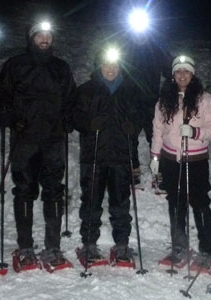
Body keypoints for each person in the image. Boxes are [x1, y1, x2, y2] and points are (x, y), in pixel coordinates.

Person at [0, 20, 76, 271]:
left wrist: (68, 119)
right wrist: (11, 118)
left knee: (54, 190)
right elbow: (4, 98)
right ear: (31, 38)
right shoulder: (15, 65)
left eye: (48, 35)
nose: (44, 39)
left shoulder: (60, 68)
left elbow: (70, 99)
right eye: (39, 35)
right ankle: (25, 247)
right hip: (25, 140)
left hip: (53, 139)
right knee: (24, 190)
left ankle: (52, 246)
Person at [151, 55, 211, 272]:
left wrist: (195, 131)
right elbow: (157, 130)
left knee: (200, 203)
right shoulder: (164, 100)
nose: (182, 75)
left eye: (187, 72)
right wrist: (155, 157)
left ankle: (207, 249)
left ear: (192, 75)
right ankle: (179, 246)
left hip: (196, 160)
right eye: (178, 71)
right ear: (173, 75)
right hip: (171, 160)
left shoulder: (204, 99)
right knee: (176, 203)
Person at [73, 46, 142, 267]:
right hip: (94, 154)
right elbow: (74, 117)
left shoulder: (131, 90)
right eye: (106, 64)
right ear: (99, 66)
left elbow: (142, 114)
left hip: (122, 155)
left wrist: (135, 125)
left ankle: (121, 243)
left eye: (114, 64)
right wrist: (87, 124)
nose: (110, 69)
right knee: (91, 200)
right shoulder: (86, 90)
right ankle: (89, 244)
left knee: (121, 202)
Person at [122, 30, 172, 191]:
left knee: (156, 136)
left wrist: (167, 91)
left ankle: (160, 169)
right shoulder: (125, 48)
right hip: (130, 101)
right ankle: (133, 167)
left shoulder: (157, 49)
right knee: (130, 135)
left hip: (152, 101)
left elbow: (170, 70)